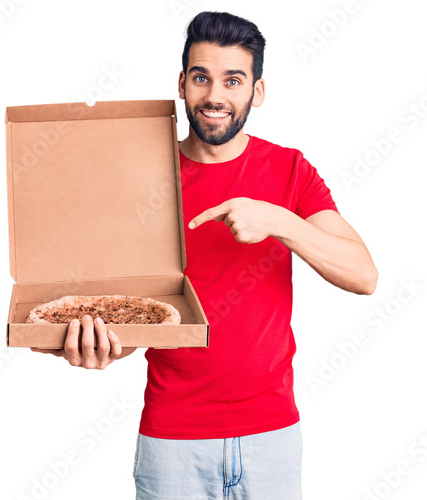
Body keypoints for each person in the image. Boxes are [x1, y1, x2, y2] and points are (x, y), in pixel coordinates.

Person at [32, 11, 378, 500]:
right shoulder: (142, 180)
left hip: (272, 436)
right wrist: (101, 345)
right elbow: (140, 314)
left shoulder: (290, 170)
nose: (215, 96)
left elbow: (364, 275)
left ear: (257, 91)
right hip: (172, 440)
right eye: (201, 77)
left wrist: (279, 221)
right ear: (182, 84)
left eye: (233, 80)